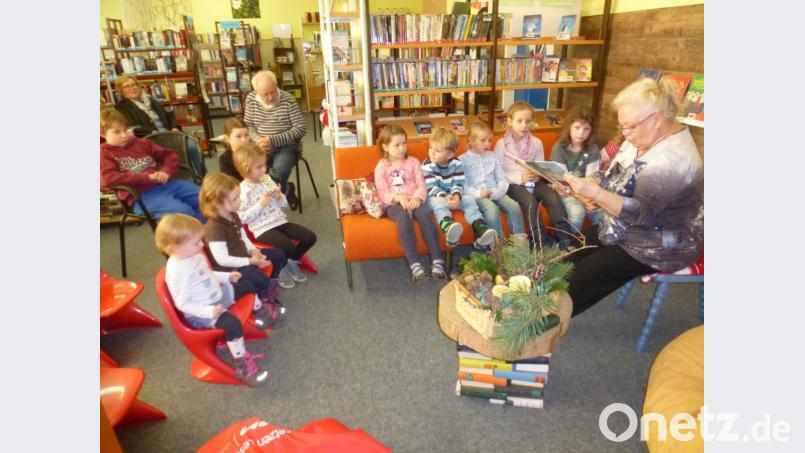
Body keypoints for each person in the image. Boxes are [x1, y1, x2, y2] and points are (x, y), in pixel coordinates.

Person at [563, 77, 704, 317]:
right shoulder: (640, 137)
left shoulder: (673, 159)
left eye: (630, 126)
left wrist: (597, 194)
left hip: (663, 241)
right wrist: (593, 186)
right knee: (573, 250)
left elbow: (640, 213)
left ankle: (543, 322)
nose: (625, 134)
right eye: (622, 127)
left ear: (657, 118)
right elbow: (614, 174)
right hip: (627, 225)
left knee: (589, 271)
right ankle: (544, 306)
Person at [156, 213, 269, 386]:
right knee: (231, 323)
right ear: (174, 247)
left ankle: (262, 313)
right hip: (200, 311)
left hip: (216, 295)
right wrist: (209, 311)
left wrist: (227, 276)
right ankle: (242, 364)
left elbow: (208, 274)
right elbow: (182, 304)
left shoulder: (194, 255)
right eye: (196, 242)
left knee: (246, 284)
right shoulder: (177, 272)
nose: (202, 245)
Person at [199, 172, 287, 323]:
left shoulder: (233, 214)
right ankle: (261, 305)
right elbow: (222, 260)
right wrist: (250, 262)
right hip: (231, 269)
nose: (240, 201)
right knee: (259, 279)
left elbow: (243, 236)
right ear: (218, 203)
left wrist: (253, 250)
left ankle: (267, 289)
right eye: (235, 198)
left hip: (245, 257)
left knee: (279, 255)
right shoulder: (214, 228)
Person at [234, 143, 317, 289]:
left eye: (264, 165)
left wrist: (279, 197)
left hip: (280, 221)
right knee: (288, 247)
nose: (264, 169)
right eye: (258, 167)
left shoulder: (266, 179)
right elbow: (242, 218)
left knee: (310, 237)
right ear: (246, 169)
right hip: (262, 229)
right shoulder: (243, 190)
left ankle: (290, 261)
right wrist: (261, 204)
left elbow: (283, 205)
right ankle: (281, 268)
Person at [100, 108, 204, 222]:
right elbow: (108, 178)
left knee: (209, 200)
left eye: (126, 130)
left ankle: (204, 234)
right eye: (117, 132)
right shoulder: (105, 154)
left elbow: (170, 156)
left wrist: (166, 171)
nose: (124, 135)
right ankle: (198, 235)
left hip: (166, 185)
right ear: (102, 134)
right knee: (185, 212)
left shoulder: (140, 143)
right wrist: (147, 177)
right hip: (140, 197)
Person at [494, 101, 573, 249]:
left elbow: (540, 166)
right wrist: (519, 178)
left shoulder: (536, 142)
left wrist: (537, 173)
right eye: (519, 121)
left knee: (552, 197)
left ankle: (565, 240)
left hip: (533, 181)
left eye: (528, 121)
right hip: (512, 184)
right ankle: (539, 242)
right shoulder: (501, 144)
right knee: (530, 201)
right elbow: (498, 172)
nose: (524, 125)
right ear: (510, 121)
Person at [374, 124, 446, 282]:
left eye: (404, 143)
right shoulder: (382, 166)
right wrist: (398, 198)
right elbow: (382, 191)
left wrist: (418, 197)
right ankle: (415, 265)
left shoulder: (413, 162)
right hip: (394, 204)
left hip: (414, 200)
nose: (402, 148)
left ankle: (437, 261)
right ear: (385, 146)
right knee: (403, 219)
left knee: (425, 216)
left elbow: (422, 184)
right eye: (397, 145)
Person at [114, 75, 206, 179]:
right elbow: (132, 127)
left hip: (168, 132)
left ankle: (201, 176)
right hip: (151, 138)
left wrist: (174, 127)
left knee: (193, 144)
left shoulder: (149, 100)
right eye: (127, 86)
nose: (132, 88)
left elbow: (168, 115)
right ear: (121, 91)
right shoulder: (121, 107)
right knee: (186, 147)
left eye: (133, 85)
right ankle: (185, 175)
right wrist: (153, 132)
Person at [421, 127, 497, 248]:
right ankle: (449, 227)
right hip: (435, 196)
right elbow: (431, 188)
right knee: (438, 202)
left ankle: (479, 228)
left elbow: (459, 182)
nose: (432, 153)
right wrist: (445, 197)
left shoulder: (456, 163)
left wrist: (456, 195)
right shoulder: (427, 165)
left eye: (437, 150)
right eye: (431, 148)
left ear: (450, 154)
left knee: (469, 199)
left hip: (452, 196)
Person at [243, 70, 306, 207]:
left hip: (288, 147)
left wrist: (274, 140)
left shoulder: (288, 99)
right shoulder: (250, 99)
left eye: (273, 91)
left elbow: (301, 128)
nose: (271, 97)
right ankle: (285, 191)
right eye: (266, 94)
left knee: (281, 169)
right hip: (261, 146)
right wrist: (258, 140)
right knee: (251, 167)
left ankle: (273, 198)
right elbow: (248, 125)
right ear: (256, 91)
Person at [461, 121, 525, 239]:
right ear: (471, 141)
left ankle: (520, 245)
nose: (487, 144)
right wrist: (478, 193)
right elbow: (463, 185)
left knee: (513, 205)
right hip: (479, 196)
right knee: (492, 209)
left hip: (496, 191)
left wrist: (497, 191)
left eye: (490, 140)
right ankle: (497, 245)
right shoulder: (462, 160)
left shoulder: (493, 156)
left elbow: (502, 178)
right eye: (483, 140)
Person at [549, 106, 601, 233]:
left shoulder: (593, 149)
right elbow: (561, 181)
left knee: (602, 215)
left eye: (586, 129)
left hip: (585, 191)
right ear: (569, 127)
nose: (581, 133)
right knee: (578, 212)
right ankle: (572, 245)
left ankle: (592, 247)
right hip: (562, 190)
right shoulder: (560, 148)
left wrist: (590, 200)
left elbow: (592, 179)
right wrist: (583, 199)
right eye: (577, 128)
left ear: (591, 131)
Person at [218, 117, 251, 181]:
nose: (244, 140)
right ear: (227, 138)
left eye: (246, 135)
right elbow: (229, 184)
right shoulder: (224, 159)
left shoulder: (254, 153)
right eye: (238, 136)